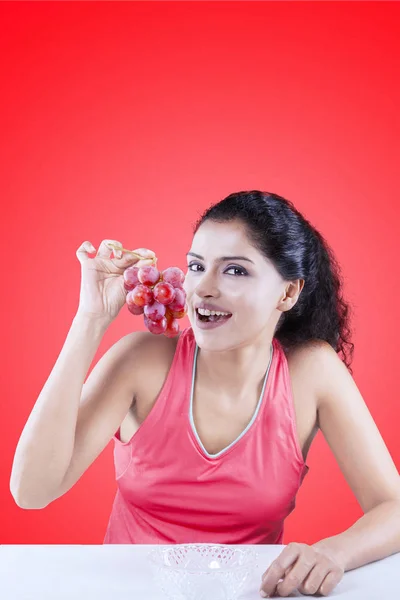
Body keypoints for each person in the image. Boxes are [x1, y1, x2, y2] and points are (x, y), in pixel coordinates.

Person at [10, 190, 400, 598]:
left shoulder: (312, 373)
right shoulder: (142, 361)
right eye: (197, 266)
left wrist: (334, 552)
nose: (203, 288)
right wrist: (90, 318)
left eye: (235, 271)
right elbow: (32, 491)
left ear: (287, 293)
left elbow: (393, 509)